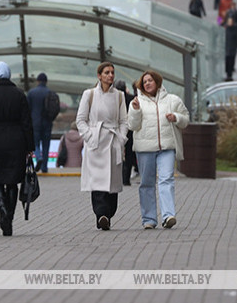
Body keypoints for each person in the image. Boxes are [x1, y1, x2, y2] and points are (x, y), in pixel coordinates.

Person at [128, 70, 190, 229]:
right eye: (144, 82)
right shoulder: (137, 102)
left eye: (150, 80)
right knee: (147, 183)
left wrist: (176, 117)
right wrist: (135, 111)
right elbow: (132, 126)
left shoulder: (172, 100)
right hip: (145, 149)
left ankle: (168, 215)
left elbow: (185, 120)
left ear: (157, 82)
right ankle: (149, 219)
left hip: (167, 148)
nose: (147, 83)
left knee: (166, 179)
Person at [0, 61, 35, 236]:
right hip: (16, 142)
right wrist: (29, 146)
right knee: (12, 181)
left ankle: (2, 209)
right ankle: (9, 217)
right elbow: (27, 122)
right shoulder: (19, 94)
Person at [76, 61, 129, 231]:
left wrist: (121, 138)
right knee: (98, 182)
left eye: (112, 72)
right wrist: (90, 136)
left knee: (112, 183)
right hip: (96, 143)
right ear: (99, 76)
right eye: (106, 72)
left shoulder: (119, 96)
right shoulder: (89, 94)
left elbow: (124, 121)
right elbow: (80, 120)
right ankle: (101, 214)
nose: (110, 75)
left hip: (113, 141)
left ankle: (108, 214)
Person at [27, 72, 54, 173]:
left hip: (35, 122)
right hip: (48, 122)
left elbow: (27, 109)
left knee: (36, 143)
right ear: (46, 81)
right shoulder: (50, 93)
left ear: (37, 81)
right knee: (46, 145)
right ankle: (44, 167)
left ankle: (38, 157)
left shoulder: (31, 93)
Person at [115, 80, 138, 187]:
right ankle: (126, 179)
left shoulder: (114, 98)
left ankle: (116, 177)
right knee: (128, 155)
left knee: (116, 154)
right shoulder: (130, 98)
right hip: (130, 130)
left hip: (116, 129)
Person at [225, 15, 237, 81]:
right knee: (227, 61)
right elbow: (219, 21)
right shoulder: (225, 28)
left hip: (232, 47)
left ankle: (230, 74)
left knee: (231, 60)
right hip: (227, 47)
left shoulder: (235, 28)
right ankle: (228, 73)